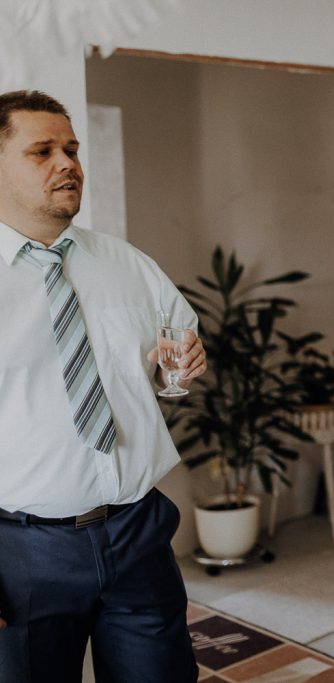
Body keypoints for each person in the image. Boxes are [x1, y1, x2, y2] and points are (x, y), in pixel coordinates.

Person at [0, 90, 206, 682]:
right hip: (22, 553)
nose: (67, 163)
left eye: (71, 148)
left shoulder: (127, 263)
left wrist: (184, 363)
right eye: (42, 151)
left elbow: (177, 356)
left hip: (137, 534)